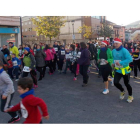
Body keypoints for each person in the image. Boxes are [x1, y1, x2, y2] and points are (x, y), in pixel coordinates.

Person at [112, 38, 133, 103]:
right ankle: (122, 91)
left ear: (120, 43)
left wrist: (121, 63)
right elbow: (114, 58)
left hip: (125, 70)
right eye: (114, 43)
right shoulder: (113, 51)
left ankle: (130, 95)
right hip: (118, 70)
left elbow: (130, 59)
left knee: (127, 84)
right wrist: (113, 63)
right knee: (115, 83)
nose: (115, 45)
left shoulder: (124, 50)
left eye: (116, 43)